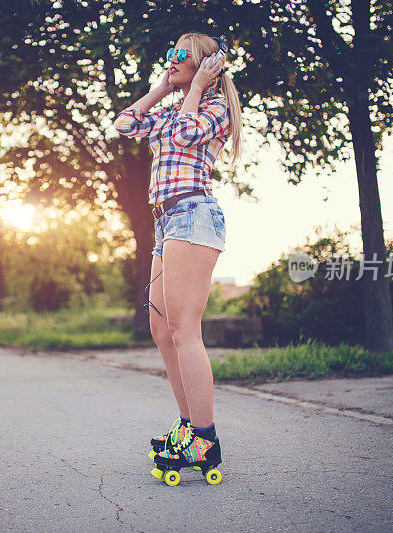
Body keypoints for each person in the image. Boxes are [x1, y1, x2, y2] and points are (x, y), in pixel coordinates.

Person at [112, 31, 243, 485]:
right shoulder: (172, 106)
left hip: (193, 215)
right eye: (169, 53)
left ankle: (204, 438)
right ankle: (189, 427)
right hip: (166, 223)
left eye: (180, 56)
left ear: (207, 67)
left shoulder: (214, 108)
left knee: (185, 329)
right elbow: (125, 123)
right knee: (159, 327)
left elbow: (188, 134)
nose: (170, 59)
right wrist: (165, 86)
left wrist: (192, 90)